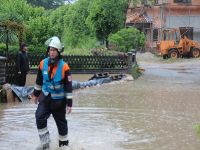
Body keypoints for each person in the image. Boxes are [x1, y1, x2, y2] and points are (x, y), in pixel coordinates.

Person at [31, 36, 73, 150]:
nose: (52, 52)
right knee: (39, 117)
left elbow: (69, 87)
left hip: (59, 101)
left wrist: (69, 104)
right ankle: (45, 144)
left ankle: (64, 146)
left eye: (54, 50)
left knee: (61, 123)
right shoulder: (42, 64)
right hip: (45, 98)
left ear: (58, 52)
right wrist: (35, 94)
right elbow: (39, 81)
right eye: (50, 50)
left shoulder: (64, 67)